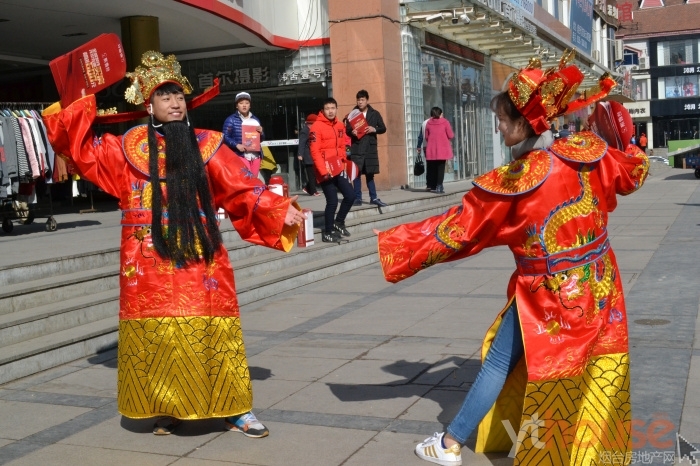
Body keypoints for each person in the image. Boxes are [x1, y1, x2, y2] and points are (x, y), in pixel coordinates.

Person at [376, 53, 648, 465]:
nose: (498, 125)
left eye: (503, 119)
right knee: (595, 366)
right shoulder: (587, 153)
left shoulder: (516, 180)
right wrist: (626, 144)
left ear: (524, 122)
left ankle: (451, 444)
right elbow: (631, 173)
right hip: (599, 284)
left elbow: (457, 230)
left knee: (516, 363)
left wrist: (396, 244)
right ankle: (595, 451)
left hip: (549, 296)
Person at [42, 51, 306, 437]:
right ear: (148, 105)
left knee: (212, 330)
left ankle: (235, 409)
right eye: (165, 96)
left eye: (179, 95)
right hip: (146, 260)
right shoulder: (125, 149)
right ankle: (165, 405)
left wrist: (278, 209)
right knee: (157, 336)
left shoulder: (209, 144)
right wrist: (80, 94)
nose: (175, 102)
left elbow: (243, 188)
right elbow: (79, 152)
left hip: (199, 255)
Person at [310, 98, 355, 242]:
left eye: (333, 108)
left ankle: (339, 222)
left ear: (336, 108)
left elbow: (342, 147)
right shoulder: (316, 127)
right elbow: (315, 151)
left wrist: (342, 163)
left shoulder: (340, 125)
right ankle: (327, 232)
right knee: (333, 201)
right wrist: (323, 171)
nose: (330, 111)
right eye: (327, 108)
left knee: (350, 195)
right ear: (323, 110)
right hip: (325, 171)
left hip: (338, 167)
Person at [345, 90, 387, 207]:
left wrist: (374, 129)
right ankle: (357, 198)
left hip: (370, 148)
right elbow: (347, 130)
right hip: (357, 147)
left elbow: (383, 128)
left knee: (370, 174)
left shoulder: (375, 113)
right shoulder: (352, 114)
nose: (360, 102)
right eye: (358, 100)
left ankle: (373, 198)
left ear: (367, 100)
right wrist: (352, 132)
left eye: (362, 100)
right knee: (357, 174)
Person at [223, 91, 264, 177]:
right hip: (240, 155)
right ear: (237, 106)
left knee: (254, 181)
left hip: (255, 156)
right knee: (247, 180)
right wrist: (237, 145)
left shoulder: (255, 120)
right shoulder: (230, 120)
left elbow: (261, 139)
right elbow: (225, 137)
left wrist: (261, 133)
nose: (244, 105)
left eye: (247, 103)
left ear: (250, 105)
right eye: (241, 103)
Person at [424, 107, 454, 194]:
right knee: (441, 168)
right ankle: (439, 186)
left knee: (433, 168)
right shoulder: (445, 122)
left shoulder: (428, 123)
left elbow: (426, 137)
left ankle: (432, 185)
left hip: (432, 149)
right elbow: (451, 135)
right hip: (442, 149)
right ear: (440, 114)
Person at [297, 114, 320, 196]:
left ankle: (307, 188)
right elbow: (302, 143)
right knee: (311, 174)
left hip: (313, 155)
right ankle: (313, 191)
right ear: (310, 123)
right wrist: (300, 154)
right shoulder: (304, 131)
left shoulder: (312, 131)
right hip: (307, 156)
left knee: (314, 174)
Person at [416, 116, 431, 190]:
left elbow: (420, 136)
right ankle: (435, 184)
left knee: (429, 165)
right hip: (433, 147)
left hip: (426, 147)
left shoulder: (424, 123)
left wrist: (419, 146)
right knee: (436, 166)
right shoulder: (435, 122)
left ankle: (429, 184)